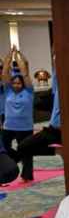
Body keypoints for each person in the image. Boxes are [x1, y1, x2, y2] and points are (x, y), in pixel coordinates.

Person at [18, 55, 63, 161]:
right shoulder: (56, 87)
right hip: (52, 130)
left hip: (68, 131)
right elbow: (56, 74)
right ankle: (60, 152)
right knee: (23, 146)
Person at [1, 46, 35, 181]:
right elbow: (4, 73)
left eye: (18, 83)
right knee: (3, 149)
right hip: (9, 126)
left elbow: (25, 73)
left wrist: (19, 56)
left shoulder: (29, 92)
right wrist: (9, 56)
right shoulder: (8, 90)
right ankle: (12, 162)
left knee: (28, 151)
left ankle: (27, 175)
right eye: (14, 83)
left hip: (25, 127)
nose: (16, 85)